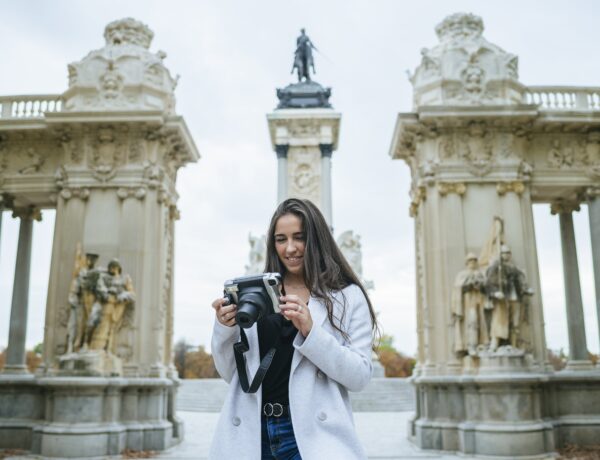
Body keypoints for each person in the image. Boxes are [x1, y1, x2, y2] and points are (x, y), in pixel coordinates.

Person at [210, 198, 378, 459]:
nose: (290, 248)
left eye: (299, 237)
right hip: (251, 434)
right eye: (280, 239)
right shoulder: (255, 292)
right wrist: (224, 328)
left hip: (312, 437)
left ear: (317, 239)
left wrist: (312, 332)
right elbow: (231, 374)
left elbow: (359, 376)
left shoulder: (347, 296)